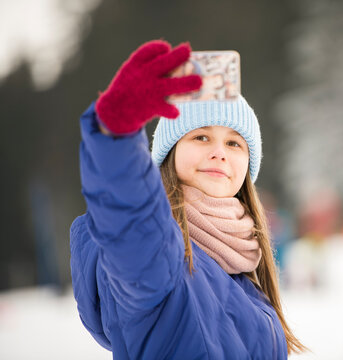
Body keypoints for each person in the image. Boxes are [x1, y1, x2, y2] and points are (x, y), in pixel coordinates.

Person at [70, 40, 306, 359]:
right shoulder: (159, 259)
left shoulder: (244, 267)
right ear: (170, 154)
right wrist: (116, 134)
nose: (219, 152)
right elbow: (134, 222)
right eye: (201, 136)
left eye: (235, 143)